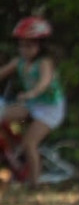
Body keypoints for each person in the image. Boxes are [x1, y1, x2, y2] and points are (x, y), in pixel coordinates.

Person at [0, 17, 66, 188]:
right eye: (21, 46)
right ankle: (15, 152)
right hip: (32, 104)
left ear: (40, 46)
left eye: (29, 46)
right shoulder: (19, 62)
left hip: (49, 108)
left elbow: (44, 83)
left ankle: (34, 183)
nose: (24, 50)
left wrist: (31, 93)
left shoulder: (44, 63)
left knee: (30, 143)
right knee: (2, 115)